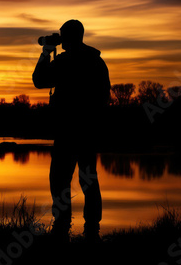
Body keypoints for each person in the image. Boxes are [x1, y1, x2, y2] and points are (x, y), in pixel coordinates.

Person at [32, 19, 110, 242]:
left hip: (67, 130)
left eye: (63, 34)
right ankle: (92, 230)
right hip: (88, 131)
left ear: (71, 36)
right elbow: (104, 96)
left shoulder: (65, 61)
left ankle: (62, 226)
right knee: (88, 180)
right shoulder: (97, 61)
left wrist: (46, 52)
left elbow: (39, 80)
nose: (61, 38)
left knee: (59, 179)